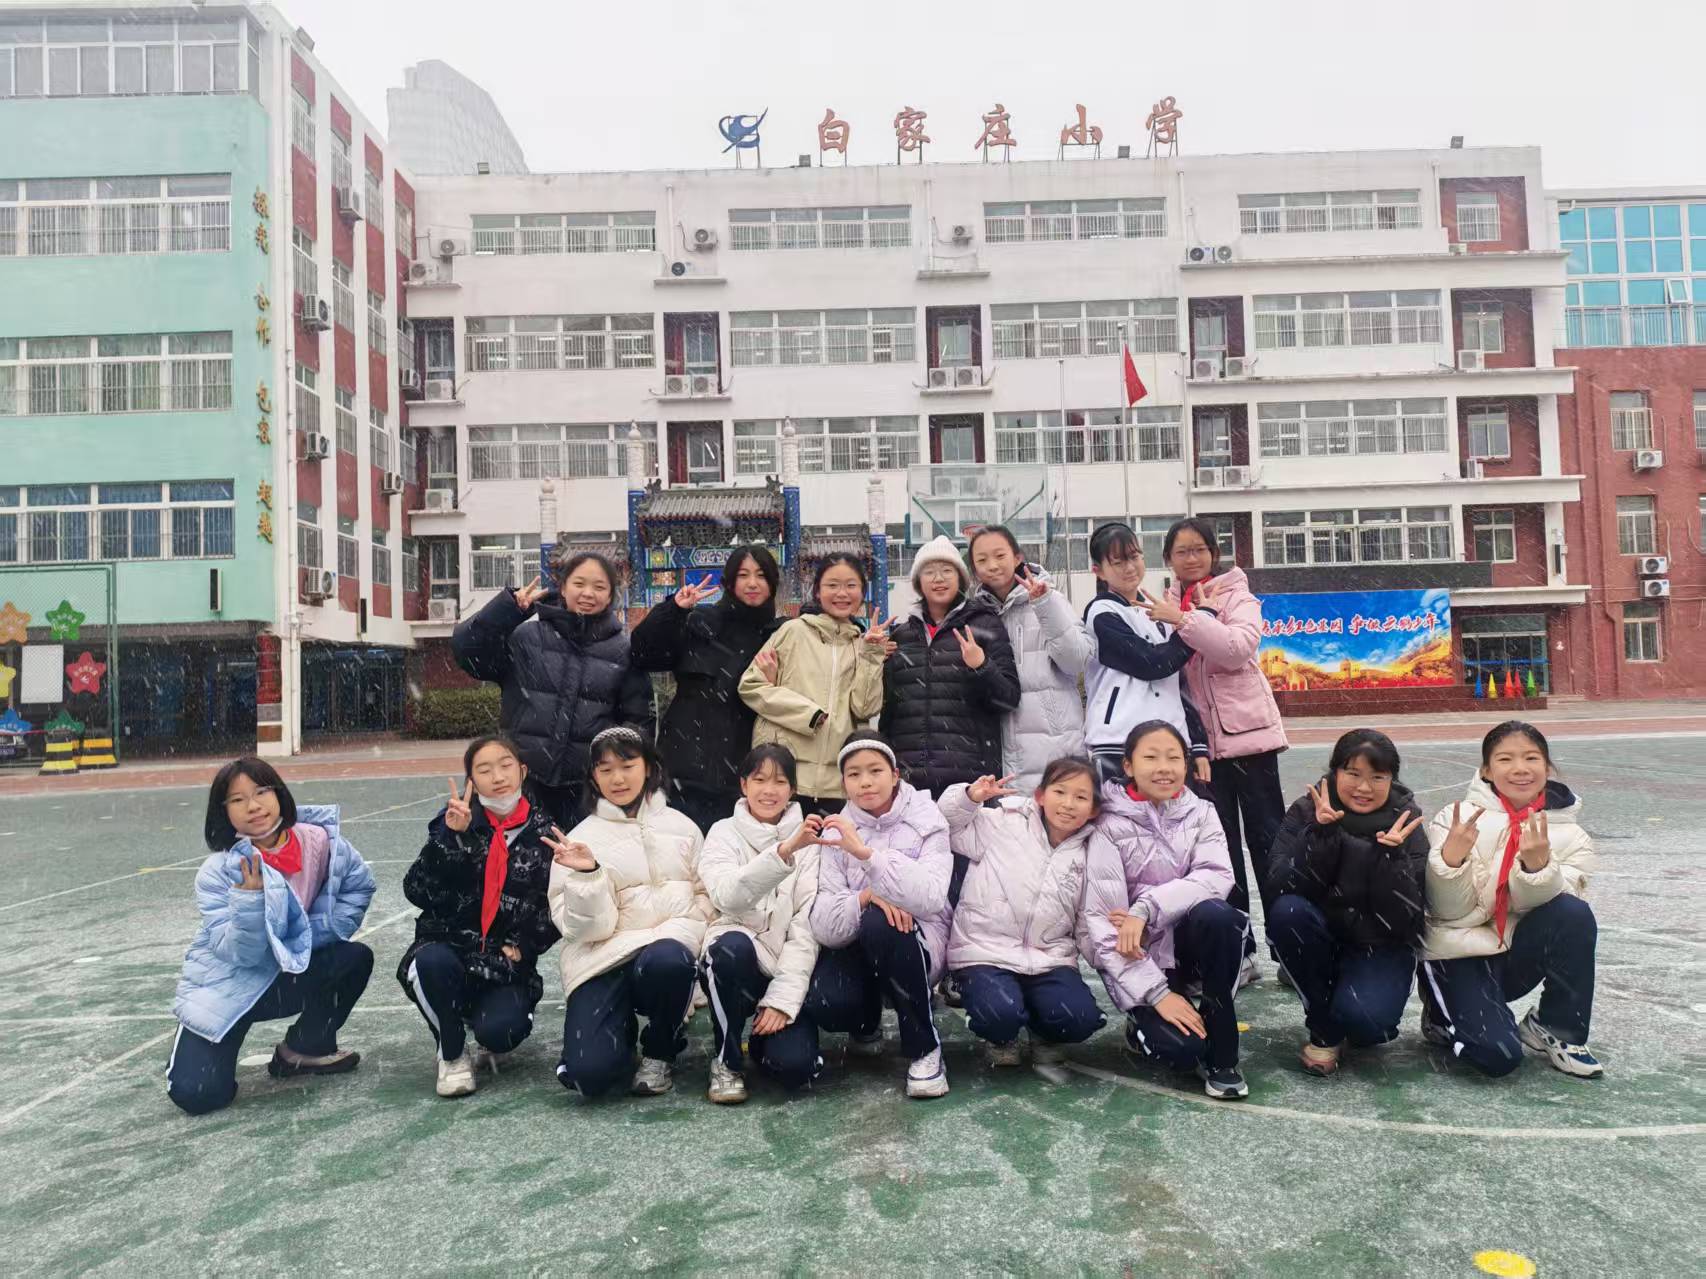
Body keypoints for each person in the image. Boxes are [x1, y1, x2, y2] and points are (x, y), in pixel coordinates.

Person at [167, 758, 375, 1115]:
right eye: (237, 800)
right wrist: (248, 902)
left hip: (288, 976)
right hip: (231, 987)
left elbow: (358, 886)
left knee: (353, 958)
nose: (253, 806)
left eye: (262, 792)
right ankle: (197, 1053)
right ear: (223, 812)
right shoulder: (219, 872)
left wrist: (309, 935)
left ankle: (303, 1050)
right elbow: (240, 954)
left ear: (279, 794)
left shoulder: (319, 841)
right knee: (197, 1095)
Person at [1140, 517, 1287, 984]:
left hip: (1249, 739)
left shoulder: (1237, 596)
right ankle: (1239, 951)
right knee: (1219, 854)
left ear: (1214, 554)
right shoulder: (1163, 604)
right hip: (1198, 750)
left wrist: (1187, 620)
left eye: (1199, 549)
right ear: (1168, 558)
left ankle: (1289, 951)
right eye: (1181, 551)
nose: (1191, 558)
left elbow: (1237, 649)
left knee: (1270, 845)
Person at [1419, 721, 1602, 1078]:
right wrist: (1451, 862)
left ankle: (1556, 1026)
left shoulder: (1572, 835)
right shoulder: (1457, 818)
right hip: (1456, 953)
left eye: (1531, 758)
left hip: (1514, 955)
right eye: (1505, 759)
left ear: (1547, 767)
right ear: (1487, 770)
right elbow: (1445, 912)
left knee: (1574, 913)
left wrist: (1537, 869)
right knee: (1498, 1057)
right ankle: (1443, 1013)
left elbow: (1555, 916)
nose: (1520, 768)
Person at [1084, 721, 1248, 1100]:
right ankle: (1142, 1021)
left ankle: (1222, 1044)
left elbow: (1215, 875)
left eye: (1174, 758)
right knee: (1182, 1051)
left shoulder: (1202, 812)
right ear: (1128, 766)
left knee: (1219, 916)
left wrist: (1146, 908)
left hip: (1190, 943)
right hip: (1142, 956)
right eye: (1151, 757)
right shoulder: (1106, 824)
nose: (1164, 768)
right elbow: (1104, 923)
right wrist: (1157, 993)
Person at [547, 727, 711, 1098]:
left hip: (666, 955)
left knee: (669, 961)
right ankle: (615, 1036)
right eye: (605, 770)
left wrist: (682, 941)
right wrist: (588, 875)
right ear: (593, 777)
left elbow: (706, 898)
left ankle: (660, 1049)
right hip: (604, 959)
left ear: (649, 767)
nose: (617, 779)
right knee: (591, 1075)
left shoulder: (683, 828)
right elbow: (583, 932)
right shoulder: (578, 840)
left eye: (627, 766)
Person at [398, 735, 561, 1097]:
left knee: (502, 1033)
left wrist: (525, 944)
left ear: (523, 771)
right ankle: (452, 1050)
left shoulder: (544, 832)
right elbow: (417, 891)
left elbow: (555, 906)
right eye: (484, 770)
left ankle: (480, 1017)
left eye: (505, 766)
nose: (497, 777)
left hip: (501, 961)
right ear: (471, 780)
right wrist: (450, 840)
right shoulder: (454, 824)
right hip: (450, 945)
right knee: (431, 964)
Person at [452, 547, 653, 828]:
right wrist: (506, 610)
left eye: (599, 587)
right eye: (579, 583)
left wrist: (619, 770)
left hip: (589, 790)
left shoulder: (623, 651)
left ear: (610, 596)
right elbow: (467, 653)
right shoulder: (526, 637)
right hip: (523, 783)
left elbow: (638, 721)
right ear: (563, 587)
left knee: (582, 855)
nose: (588, 593)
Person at [1266, 729, 1427, 1076]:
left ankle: (1351, 1000)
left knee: (1369, 1027)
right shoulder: (1308, 810)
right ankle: (1324, 1026)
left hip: (1378, 942)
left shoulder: (1405, 819)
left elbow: (1409, 917)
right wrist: (1319, 836)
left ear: (1392, 779)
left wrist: (1392, 860)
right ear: (1335, 771)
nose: (1364, 787)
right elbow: (1280, 885)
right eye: (1353, 773)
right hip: (1321, 934)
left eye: (1377, 777)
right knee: (1288, 912)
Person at [808, 732, 954, 1099]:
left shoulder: (927, 818)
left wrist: (868, 857)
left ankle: (924, 1048)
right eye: (854, 774)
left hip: (918, 940)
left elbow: (932, 897)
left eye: (875, 771)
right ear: (843, 782)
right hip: (858, 941)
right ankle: (865, 1021)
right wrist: (866, 897)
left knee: (881, 922)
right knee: (827, 1002)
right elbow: (824, 924)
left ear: (895, 774)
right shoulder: (835, 829)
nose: (866, 782)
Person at [941, 758, 1107, 1068]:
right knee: (999, 1014)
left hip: (1049, 958)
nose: (1068, 804)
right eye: (1060, 792)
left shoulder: (1092, 851)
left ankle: (1043, 1030)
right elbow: (947, 825)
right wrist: (969, 798)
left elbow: (1087, 921)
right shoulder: (1005, 822)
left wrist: (1110, 957)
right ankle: (1001, 1035)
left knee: (1079, 1019)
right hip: (985, 952)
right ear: (1041, 795)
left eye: (1081, 797)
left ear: (1094, 809)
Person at [698, 744, 825, 1103]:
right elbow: (728, 897)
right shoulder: (722, 832)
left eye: (780, 781)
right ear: (743, 785)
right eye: (759, 780)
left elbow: (805, 928)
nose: (769, 790)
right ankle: (726, 1059)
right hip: (736, 959)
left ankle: (761, 1039)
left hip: (781, 966)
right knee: (730, 949)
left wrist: (782, 999)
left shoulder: (811, 842)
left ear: (793, 790)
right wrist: (783, 852)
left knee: (795, 1067)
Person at [630, 545, 783, 833]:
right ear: (729, 582)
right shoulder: (700, 622)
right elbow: (643, 655)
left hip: (745, 775)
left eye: (761, 575)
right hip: (684, 766)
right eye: (743, 575)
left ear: (773, 584)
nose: (752, 583)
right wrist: (673, 610)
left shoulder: (780, 636)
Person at [739, 553, 888, 816]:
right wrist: (808, 714)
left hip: (837, 785)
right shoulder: (793, 632)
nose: (842, 593)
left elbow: (865, 708)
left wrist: (872, 655)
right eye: (832, 585)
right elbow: (751, 686)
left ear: (863, 593)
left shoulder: (861, 645)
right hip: (783, 776)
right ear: (817, 591)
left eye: (851, 585)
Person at [880, 533, 1021, 799]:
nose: (938, 578)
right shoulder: (902, 636)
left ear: (961, 579)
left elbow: (1008, 699)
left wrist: (981, 666)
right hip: (910, 780)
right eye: (929, 572)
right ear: (918, 582)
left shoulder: (984, 624)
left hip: (970, 778)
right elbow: (888, 712)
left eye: (947, 570)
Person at [1081, 521, 1211, 789]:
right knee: (1120, 815)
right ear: (1098, 571)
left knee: (1176, 815)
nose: (1129, 567)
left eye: (1134, 557)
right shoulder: (1101, 613)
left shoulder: (1158, 609)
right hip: (1118, 741)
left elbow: (1179, 681)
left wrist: (1198, 744)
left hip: (1171, 738)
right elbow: (1152, 664)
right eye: (1118, 562)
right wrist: (1200, 622)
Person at [967, 525, 1092, 792]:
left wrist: (1044, 605)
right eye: (982, 560)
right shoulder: (976, 616)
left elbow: (1076, 661)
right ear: (974, 569)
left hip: (1054, 746)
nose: (992, 565)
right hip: (1001, 749)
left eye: (1000, 555)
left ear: (1017, 557)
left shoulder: (1050, 599)